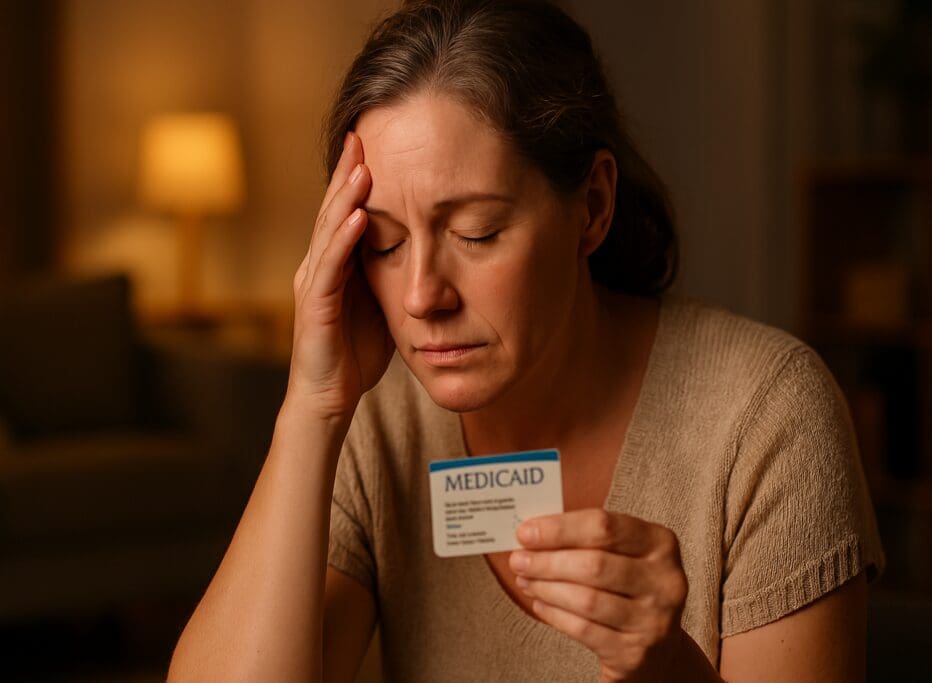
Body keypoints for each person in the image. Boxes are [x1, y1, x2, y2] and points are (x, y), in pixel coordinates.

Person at [168, 1, 885, 681]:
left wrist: (665, 668)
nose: (422, 296)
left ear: (593, 208)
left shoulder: (767, 416)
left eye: (476, 232)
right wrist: (311, 407)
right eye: (383, 243)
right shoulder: (377, 421)